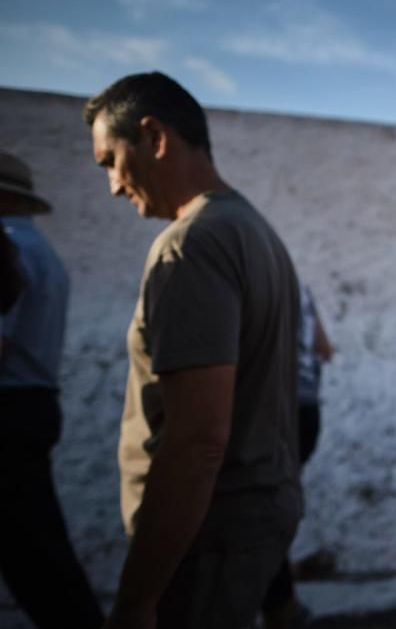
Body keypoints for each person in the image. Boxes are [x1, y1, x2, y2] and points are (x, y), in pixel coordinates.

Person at [84, 72, 302, 629]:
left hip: (207, 534)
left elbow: (198, 441)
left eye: (111, 160)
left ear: (155, 138)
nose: (111, 184)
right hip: (241, 519)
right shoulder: (253, 230)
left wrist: (136, 599)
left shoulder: (191, 244)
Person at [0, 152, 105, 628]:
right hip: (34, 402)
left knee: (35, 553)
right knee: (35, 548)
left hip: (10, 408)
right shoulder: (44, 253)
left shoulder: (9, 249)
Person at [261, 281, 334, 629]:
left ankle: (281, 608)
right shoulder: (300, 287)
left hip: (275, 408)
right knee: (272, 506)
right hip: (307, 410)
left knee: (259, 512)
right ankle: (281, 602)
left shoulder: (246, 282)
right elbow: (325, 348)